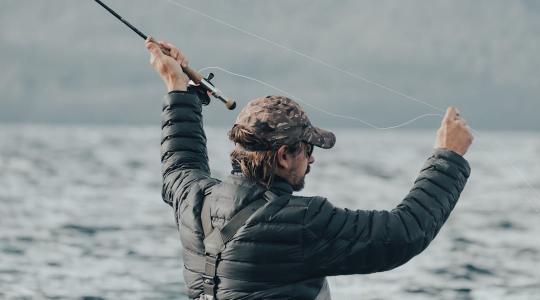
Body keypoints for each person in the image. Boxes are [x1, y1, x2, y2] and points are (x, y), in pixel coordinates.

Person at [146, 38, 473, 300]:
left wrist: (177, 84)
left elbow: (180, 159)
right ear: (285, 155)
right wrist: (448, 155)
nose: (312, 159)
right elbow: (404, 233)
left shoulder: (193, 197)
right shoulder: (300, 222)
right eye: (308, 149)